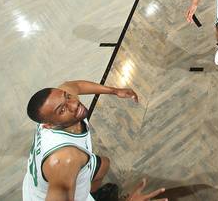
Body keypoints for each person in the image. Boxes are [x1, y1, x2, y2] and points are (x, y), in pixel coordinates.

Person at [23, 80, 166, 201]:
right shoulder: (66, 160)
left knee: (104, 164)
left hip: (39, 182)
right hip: (43, 196)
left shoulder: (59, 109)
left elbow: (75, 85)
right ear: (49, 125)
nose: (74, 105)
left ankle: (90, 193)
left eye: (68, 97)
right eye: (62, 110)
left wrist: (114, 91)